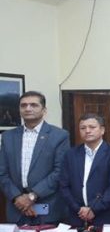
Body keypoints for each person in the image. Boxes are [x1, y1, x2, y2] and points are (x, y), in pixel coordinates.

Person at [0, 91, 69, 225]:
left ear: (44, 110)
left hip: (47, 207)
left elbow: (60, 171)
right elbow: (2, 172)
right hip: (16, 208)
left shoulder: (59, 136)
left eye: (34, 105)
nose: (28, 108)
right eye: (23, 105)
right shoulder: (8, 137)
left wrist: (32, 196)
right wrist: (17, 198)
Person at [58, 113, 110, 228]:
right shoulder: (70, 154)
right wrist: (78, 209)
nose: (87, 131)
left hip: (106, 217)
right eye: (83, 128)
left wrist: (94, 209)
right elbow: (64, 185)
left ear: (102, 130)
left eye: (92, 127)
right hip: (77, 217)